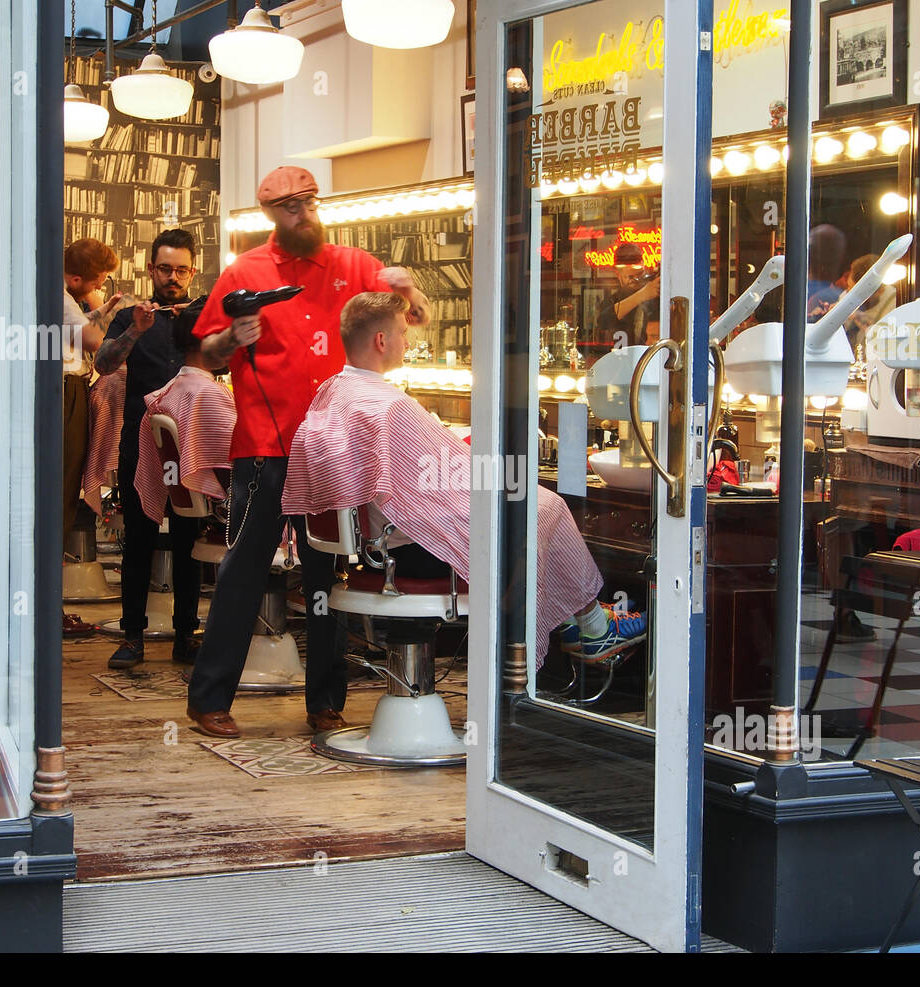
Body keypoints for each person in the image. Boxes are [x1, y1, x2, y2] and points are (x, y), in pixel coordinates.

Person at [183, 166, 432, 738]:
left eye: (311, 203)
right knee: (243, 571)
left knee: (325, 573)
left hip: (335, 445)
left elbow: (412, 319)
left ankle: (325, 699)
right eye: (291, 207)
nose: (305, 214)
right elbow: (207, 352)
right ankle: (209, 698)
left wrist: (410, 286)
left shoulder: (353, 265)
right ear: (271, 213)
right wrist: (231, 339)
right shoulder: (245, 272)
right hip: (265, 446)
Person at [283, 292, 648, 672]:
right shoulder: (388, 405)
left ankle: (580, 624)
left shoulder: (335, 390)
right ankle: (591, 628)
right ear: (381, 341)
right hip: (415, 556)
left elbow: (422, 471)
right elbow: (451, 474)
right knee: (543, 506)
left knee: (526, 512)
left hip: (373, 551)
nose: (408, 343)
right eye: (404, 333)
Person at [93, 229, 207, 668]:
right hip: (140, 442)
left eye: (181, 270)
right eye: (165, 269)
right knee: (138, 539)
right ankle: (133, 636)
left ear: (192, 271)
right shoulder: (131, 315)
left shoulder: (204, 316)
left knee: (188, 540)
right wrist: (136, 333)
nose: (173, 278)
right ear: (150, 269)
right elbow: (103, 364)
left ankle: (185, 635)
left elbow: (231, 362)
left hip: (192, 444)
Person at [129, 296, 236, 599]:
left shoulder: (169, 392)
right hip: (226, 514)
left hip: (192, 506)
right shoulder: (209, 395)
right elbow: (235, 467)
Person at [62, 238, 123, 635]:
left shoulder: (67, 298)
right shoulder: (58, 297)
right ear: (79, 277)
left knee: (62, 496)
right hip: (65, 391)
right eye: (99, 278)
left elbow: (82, 327)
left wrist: (107, 308)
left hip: (69, 388)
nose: (102, 282)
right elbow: (92, 343)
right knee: (62, 496)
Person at [595, 243, 660, 357]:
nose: (636, 280)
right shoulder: (615, 300)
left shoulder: (656, 294)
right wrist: (642, 294)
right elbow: (603, 321)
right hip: (624, 361)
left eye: (639, 274)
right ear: (618, 274)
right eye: (629, 277)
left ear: (643, 266)